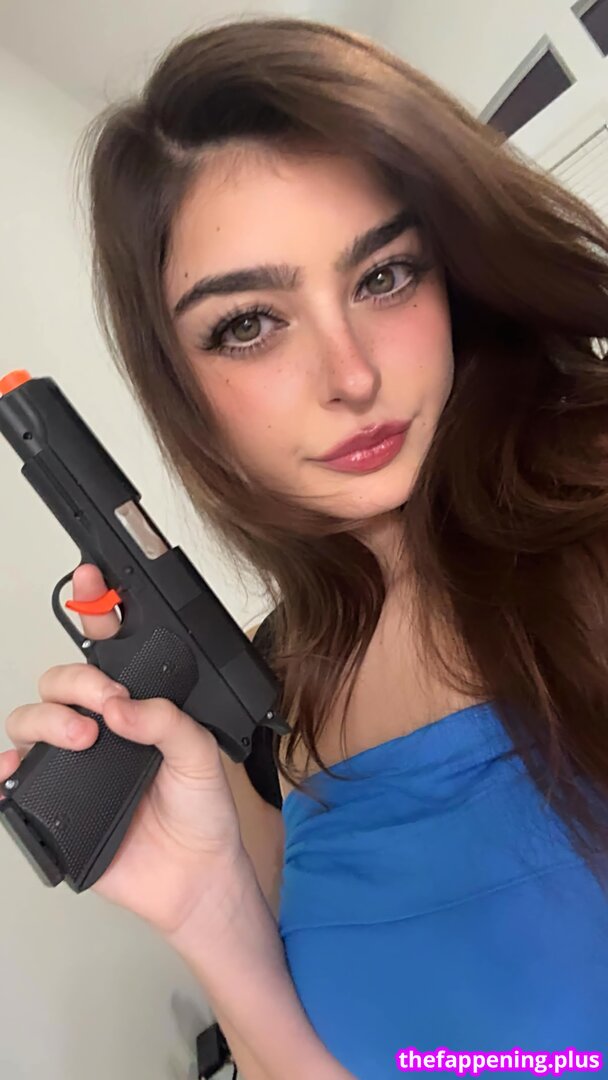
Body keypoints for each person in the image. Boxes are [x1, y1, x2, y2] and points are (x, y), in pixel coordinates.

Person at [2, 14, 608, 1079]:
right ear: (182, 390)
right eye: (248, 324)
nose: (350, 374)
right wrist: (206, 911)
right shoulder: (285, 696)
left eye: (384, 276)